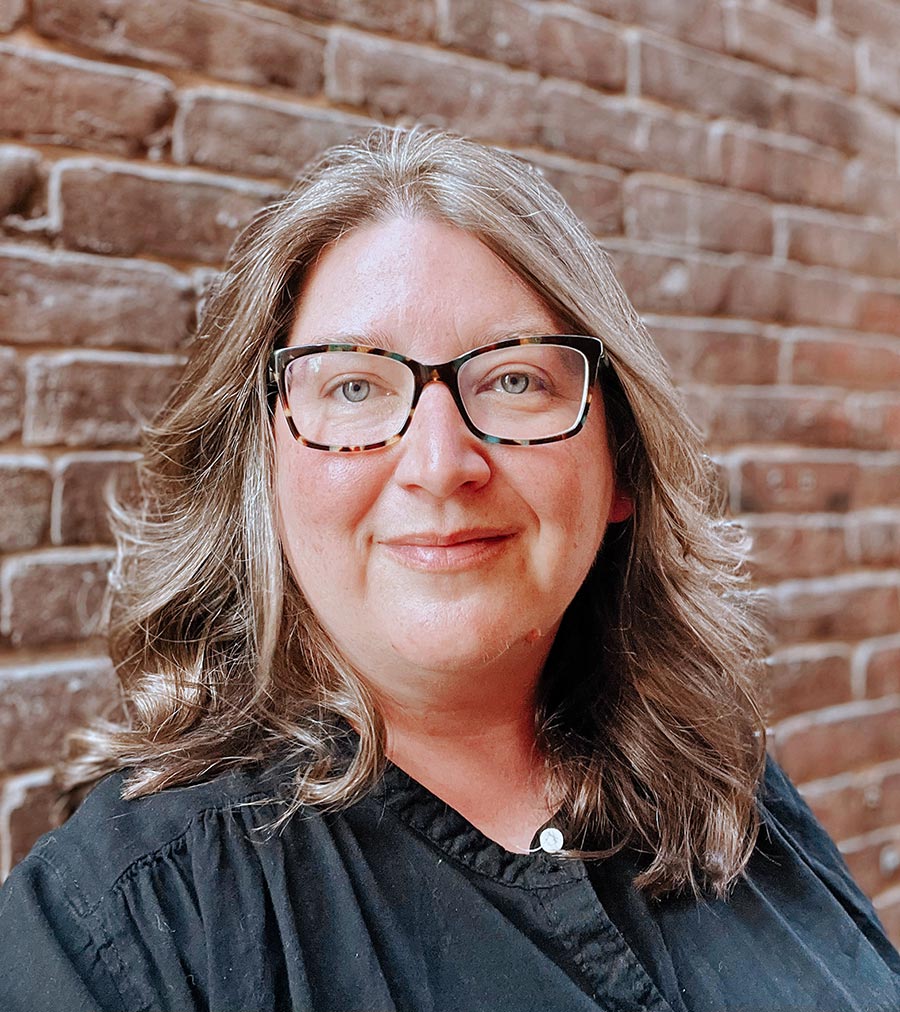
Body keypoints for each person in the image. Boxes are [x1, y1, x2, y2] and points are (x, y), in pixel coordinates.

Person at [1, 126, 897, 1012]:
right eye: (354, 388)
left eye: (515, 381)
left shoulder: (721, 783)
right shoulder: (127, 927)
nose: (440, 463)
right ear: (260, 474)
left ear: (621, 460)